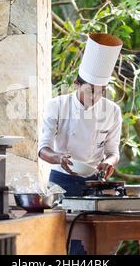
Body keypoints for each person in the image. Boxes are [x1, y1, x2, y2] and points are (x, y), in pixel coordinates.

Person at [38, 33, 123, 197]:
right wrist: (58, 158)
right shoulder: (57, 105)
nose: (95, 97)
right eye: (91, 90)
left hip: (94, 182)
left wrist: (108, 162)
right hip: (60, 181)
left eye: (101, 92)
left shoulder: (112, 111)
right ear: (77, 84)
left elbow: (113, 152)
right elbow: (43, 149)